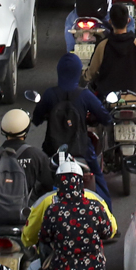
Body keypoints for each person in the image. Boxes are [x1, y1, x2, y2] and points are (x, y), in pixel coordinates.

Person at [25, 159, 117, 270]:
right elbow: (108, 232)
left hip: (61, 268)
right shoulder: (95, 206)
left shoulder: (53, 210)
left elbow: (44, 237)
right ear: (80, 183)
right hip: (92, 266)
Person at [32, 53, 114, 199]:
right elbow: (104, 116)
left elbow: (36, 119)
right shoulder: (85, 95)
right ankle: (108, 218)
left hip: (52, 151)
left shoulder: (50, 94)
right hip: (82, 151)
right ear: (78, 72)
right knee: (100, 183)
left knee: (36, 184)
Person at [0, 108, 57, 229]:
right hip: (28, 216)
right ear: (26, 130)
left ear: (3, 130)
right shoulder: (36, 155)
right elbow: (48, 185)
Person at [84, 2, 136, 97]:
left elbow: (91, 73)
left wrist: (84, 75)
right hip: (135, 98)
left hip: (108, 100)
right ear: (128, 21)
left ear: (110, 22)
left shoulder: (103, 46)